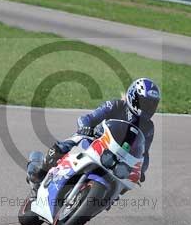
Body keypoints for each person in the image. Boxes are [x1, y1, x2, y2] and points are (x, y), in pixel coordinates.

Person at [27, 77, 160, 195]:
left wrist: (141, 170)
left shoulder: (149, 127)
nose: (148, 108)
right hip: (95, 140)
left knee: (126, 183)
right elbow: (87, 118)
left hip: (119, 158)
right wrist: (85, 128)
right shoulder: (116, 105)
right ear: (133, 97)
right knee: (66, 145)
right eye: (145, 103)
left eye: (152, 105)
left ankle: (102, 199)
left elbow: (144, 153)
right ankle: (40, 171)